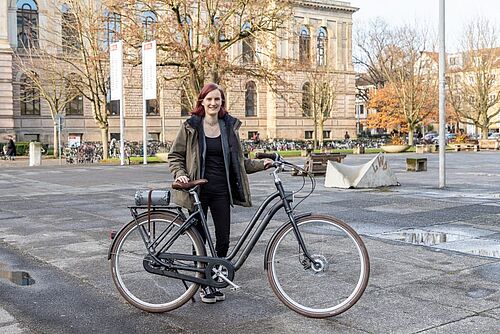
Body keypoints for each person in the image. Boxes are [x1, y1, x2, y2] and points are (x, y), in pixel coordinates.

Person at [168, 83, 272, 304]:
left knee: (223, 239)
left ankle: (214, 277)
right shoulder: (190, 126)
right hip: (197, 190)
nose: (213, 103)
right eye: (209, 99)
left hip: (221, 191)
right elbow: (175, 155)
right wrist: (180, 174)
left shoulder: (228, 127)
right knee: (200, 239)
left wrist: (261, 164)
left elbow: (239, 162)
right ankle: (204, 285)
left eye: (217, 99)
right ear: (202, 102)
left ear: (222, 102)